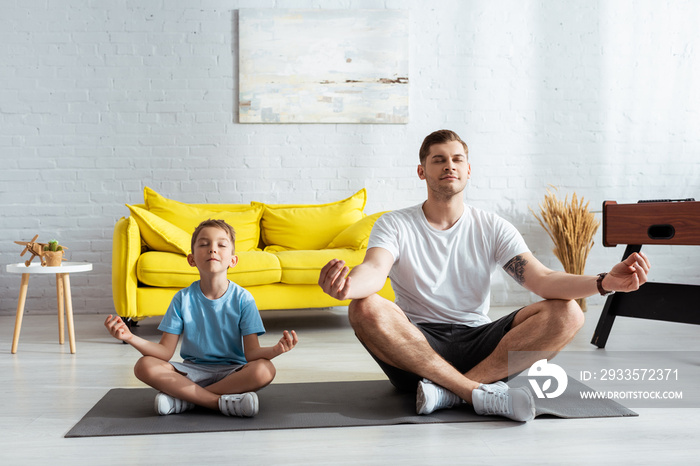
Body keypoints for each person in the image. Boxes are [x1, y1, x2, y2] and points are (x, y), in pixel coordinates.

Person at [318, 129, 650, 422]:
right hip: (416, 349)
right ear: (422, 171)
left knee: (568, 312)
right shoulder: (395, 224)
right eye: (438, 159)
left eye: (457, 159)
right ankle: (473, 391)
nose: (449, 165)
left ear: (468, 170)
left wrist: (605, 282)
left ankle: (448, 393)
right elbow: (374, 271)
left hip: (481, 346)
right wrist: (346, 286)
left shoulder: (492, 227)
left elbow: (543, 280)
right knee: (363, 306)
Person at [105, 219, 298, 417]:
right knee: (144, 366)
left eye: (221, 245)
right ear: (192, 259)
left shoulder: (244, 299)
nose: (212, 249)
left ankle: (184, 399)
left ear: (233, 260)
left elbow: (252, 354)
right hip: (191, 373)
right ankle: (216, 402)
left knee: (265, 370)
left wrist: (276, 350)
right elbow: (164, 352)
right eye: (204, 244)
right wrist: (129, 337)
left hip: (233, 373)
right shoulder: (182, 298)